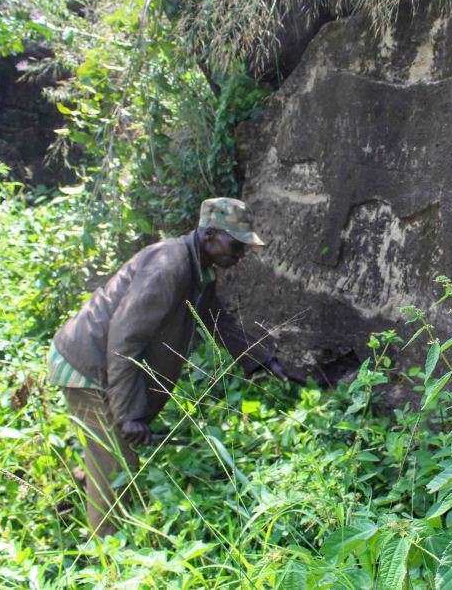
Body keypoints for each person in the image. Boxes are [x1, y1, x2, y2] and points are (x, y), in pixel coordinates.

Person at [48, 197, 302, 536]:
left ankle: (75, 503)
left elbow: (215, 320)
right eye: (236, 244)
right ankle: (104, 562)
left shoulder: (199, 271)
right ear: (210, 233)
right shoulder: (169, 267)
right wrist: (129, 416)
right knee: (117, 469)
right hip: (87, 365)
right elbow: (125, 341)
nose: (241, 255)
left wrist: (263, 360)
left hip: (98, 360)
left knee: (110, 456)